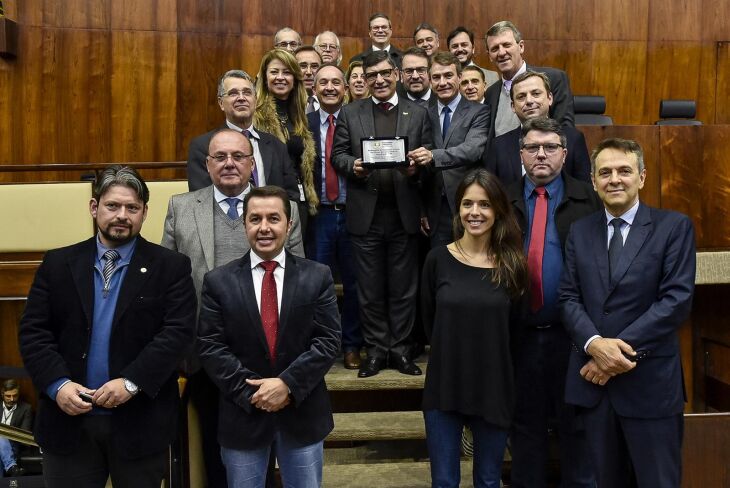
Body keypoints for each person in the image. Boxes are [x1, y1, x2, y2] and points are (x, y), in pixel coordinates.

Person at [18, 165, 196, 488]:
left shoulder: (171, 267)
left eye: (132, 208)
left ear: (145, 213)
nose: (122, 215)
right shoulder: (57, 264)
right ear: (94, 207)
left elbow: (177, 334)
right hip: (69, 424)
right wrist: (58, 385)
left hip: (141, 424)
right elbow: (34, 332)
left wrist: (131, 382)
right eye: (113, 206)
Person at [163, 129, 304, 488]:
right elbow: (169, 284)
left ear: (251, 163)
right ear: (207, 164)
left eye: (238, 156)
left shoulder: (280, 208)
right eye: (220, 157)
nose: (229, 164)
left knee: (272, 455)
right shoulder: (181, 207)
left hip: (272, 359)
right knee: (215, 453)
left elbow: (300, 283)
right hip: (205, 357)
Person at [559, 138, 696, 487]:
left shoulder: (673, 228)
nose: (614, 179)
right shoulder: (579, 231)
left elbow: (675, 301)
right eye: (605, 172)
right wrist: (593, 344)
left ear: (642, 177)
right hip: (595, 392)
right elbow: (569, 297)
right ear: (593, 181)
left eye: (624, 170)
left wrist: (611, 353)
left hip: (649, 385)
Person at [197, 185, 341, 488]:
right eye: (255, 219)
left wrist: (287, 384)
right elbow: (211, 347)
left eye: (273, 218)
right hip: (243, 415)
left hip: (301, 414)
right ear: (245, 224)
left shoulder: (317, 276)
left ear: (288, 225)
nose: (264, 227)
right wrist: (255, 394)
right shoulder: (218, 281)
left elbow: (327, 341)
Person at [505, 117, 600, 488]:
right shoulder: (502, 199)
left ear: (565, 153)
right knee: (525, 429)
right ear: (521, 154)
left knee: (576, 427)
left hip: (574, 337)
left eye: (549, 147)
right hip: (519, 336)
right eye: (532, 147)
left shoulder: (588, 199)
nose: (540, 154)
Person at [421, 169, 528, 488]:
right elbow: (429, 323)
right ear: (458, 208)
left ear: (497, 210)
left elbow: (516, 332)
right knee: (443, 482)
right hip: (445, 386)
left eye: (484, 204)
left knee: (488, 479)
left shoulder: (512, 265)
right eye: (467, 204)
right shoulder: (437, 259)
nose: (475, 212)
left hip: (494, 387)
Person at [332, 50, 432, 378]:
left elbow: (429, 158)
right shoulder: (351, 112)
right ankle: (375, 350)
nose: (379, 80)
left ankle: (400, 351)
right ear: (363, 79)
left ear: (397, 75)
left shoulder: (417, 114)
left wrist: (415, 168)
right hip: (366, 215)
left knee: (404, 287)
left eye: (385, 73)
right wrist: (354, 167)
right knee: (369, 288)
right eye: (371, 75)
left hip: (404, 213)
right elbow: (339, 155)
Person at [306, 66, 362, 370]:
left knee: (355, 284)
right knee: (318, 283)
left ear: (346, 88)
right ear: (314, 89)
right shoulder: (305, 123)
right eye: (323, 82)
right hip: (320, 216)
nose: (329, 87)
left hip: (355, 213)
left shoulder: (357, 119)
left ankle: (352, 344)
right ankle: (323, 345)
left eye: (335, 82)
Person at [410, 51, 490, 248]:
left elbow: (472, 150)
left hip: (469, 204)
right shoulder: (422, 115)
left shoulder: (479, 111)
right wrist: (421, 210)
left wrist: (432, 156)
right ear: (429, 79)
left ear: (460, 77)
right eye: (436, 77)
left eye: (448, 75)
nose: (442, 82)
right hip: (434, 209)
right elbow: (418, 172)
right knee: (440, 267)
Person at [186, 69, 299, 199]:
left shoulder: (277, 145)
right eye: (233, 93)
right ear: (221, 103)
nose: (241, 98)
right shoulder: (202, 146)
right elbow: (201, 200)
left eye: (247, 93)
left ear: (255, 100)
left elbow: (291, 196)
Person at [486, 71, 590, 186]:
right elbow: (492, 194)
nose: (529, 101)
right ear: (513, 106)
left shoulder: (573, 139)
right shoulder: (498, 146)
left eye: (535, 94)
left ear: (549, 98)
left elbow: (585, 191)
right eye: (521, 97)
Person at [254, 49, 318, 230]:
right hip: (268, 205)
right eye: (274, 72)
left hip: (299, 202)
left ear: (295, 79)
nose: (280, 77)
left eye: (287, 72)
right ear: (265, 77)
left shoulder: (301, 115)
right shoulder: (255, 116)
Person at [484, 21, 574, 141]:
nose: (501, 52)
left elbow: (565, 130)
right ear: (489, 55)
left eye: (506, 45)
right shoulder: (491, 92)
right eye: (495, 49)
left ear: (521, 47)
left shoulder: (554, 78)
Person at [1, 379, 32, 477]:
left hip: (13, 444)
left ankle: (11, 466)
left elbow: (24, 434)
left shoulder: (26, 408)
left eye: (15, 396)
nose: (12, 399)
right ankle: (11, 467)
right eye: (8, 396)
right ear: (2, 394)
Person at [295, 46, 323, 114]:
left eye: (314, 66)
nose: (308, 72)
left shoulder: (334, 102)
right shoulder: (284, 102)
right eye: (303, 66)